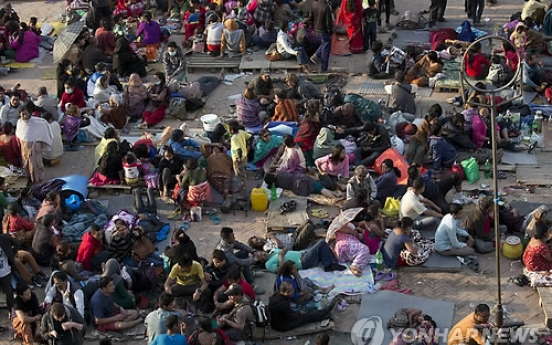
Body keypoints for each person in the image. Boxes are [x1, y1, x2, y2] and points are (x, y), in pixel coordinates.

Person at [269, 282, 335, 332]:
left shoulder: (277, 295)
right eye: (292, 291)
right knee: (306, 317)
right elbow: (291, 317)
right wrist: (299, 313)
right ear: (286, 292)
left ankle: (325, 313)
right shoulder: (283, 303)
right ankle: (326, 313)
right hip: (281, 325)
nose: (293, 292)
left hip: (278, 320)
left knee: (304, 312)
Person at [326, 209, 371, 277]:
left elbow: (359, 235)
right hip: (346, 243)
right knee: (364, 249)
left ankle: (355, 265)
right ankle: (355, 265)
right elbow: (344, 230)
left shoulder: (348, 226)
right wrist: (354, 232)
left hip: (343, 249)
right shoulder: (340, 226)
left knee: (362, 255)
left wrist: (359, 231)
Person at [307, 0, 333, 72]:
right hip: (323, 30)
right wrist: (330, 31)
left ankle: (316, 55)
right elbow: (328, 22)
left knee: (324, 43)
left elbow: (310, 18)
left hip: (317, 29)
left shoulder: (314, 4)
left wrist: (312, 27)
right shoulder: (326, 6)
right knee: (326, 47)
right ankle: (323, 68)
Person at [294, 99, 322, 165]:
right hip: (303, 144)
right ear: (312, 118)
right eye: (316, 116)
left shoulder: (312, 122)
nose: (318, 117)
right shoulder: (310, 128)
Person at [228, 120, 251, 193]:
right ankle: (244, 181)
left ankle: (242, 189)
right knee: (243, 170)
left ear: (231, 130)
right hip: (245, 156)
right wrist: (247, 147)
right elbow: (250, 137)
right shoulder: (241, 132)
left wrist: (239, 158)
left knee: (239, 175)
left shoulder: (234, 138)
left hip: (238, 159)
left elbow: (238, 149)